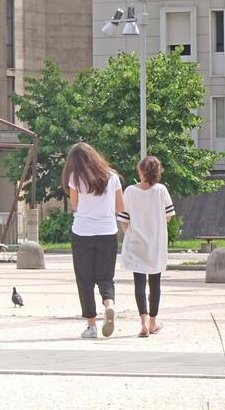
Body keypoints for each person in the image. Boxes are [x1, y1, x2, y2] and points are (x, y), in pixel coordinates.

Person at [63, 142, 124, 339]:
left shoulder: (75, 178)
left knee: (85, 280)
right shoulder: (112, 177)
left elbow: (75, 205)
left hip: (82, 232)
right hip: (108, 232)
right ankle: (109, 304)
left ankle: (91, 326)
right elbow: (120, 206)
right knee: (106, 277)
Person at [117, 156, 175, 338]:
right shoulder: (161, 190)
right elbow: (168, 216)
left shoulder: (130, 191)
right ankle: (153, 322)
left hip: (136, 242)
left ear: (140, 171)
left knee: (139, 283)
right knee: (155, 282)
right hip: (156, 243)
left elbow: (123, 220)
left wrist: (131, 234)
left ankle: (142, 321)